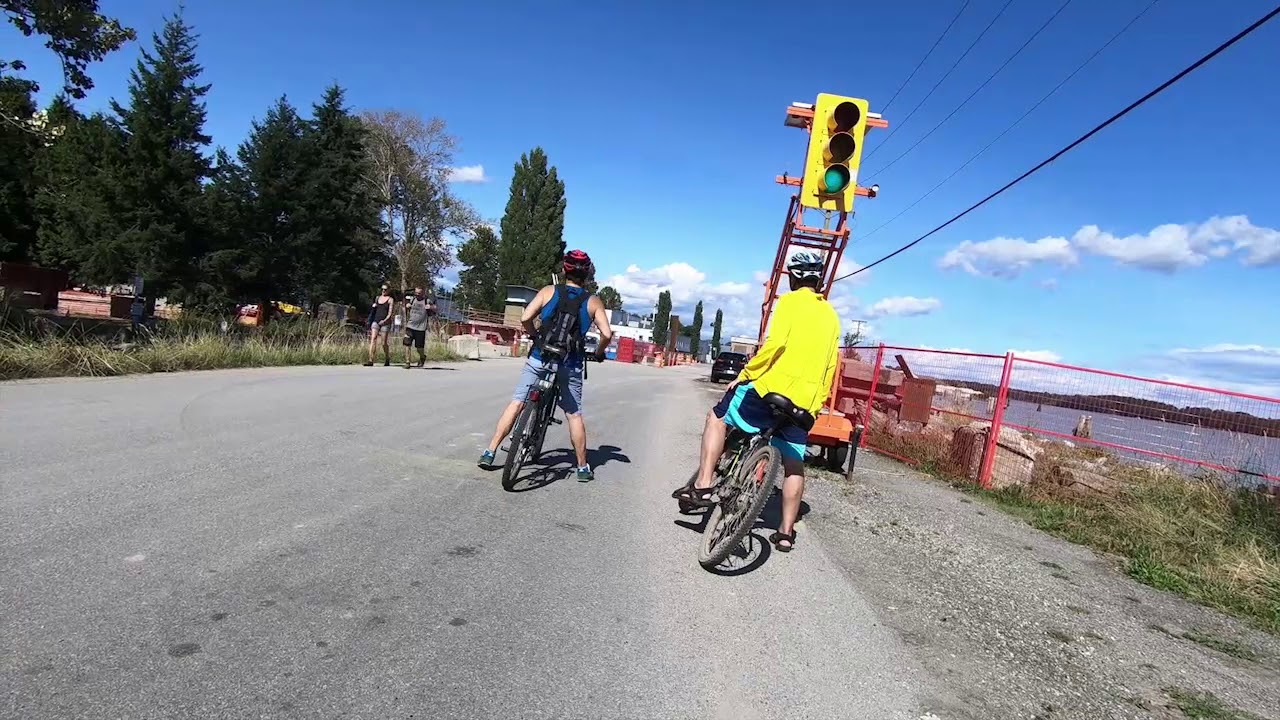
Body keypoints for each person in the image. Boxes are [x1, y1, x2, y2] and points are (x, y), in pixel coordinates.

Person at [676, 251, 840, 552]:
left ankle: (704, 483)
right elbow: (831, 366)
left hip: (771, 391)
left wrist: (746, 373)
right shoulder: (831, 315)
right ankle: (786, 533)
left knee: (717, 417)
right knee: (793, 464)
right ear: (817, 281)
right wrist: (814, 406)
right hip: (805, 405)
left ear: (793, 277)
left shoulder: (789, 303)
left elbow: (775, 345)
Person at [478, 249, 613, 481]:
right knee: (574, 414)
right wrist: (599, 353)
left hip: (540, 356)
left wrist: (534, 336)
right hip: (569, 363)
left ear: (564, 270)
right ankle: (582, 467)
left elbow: (525, 318)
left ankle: (490, 452)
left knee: (518, 402)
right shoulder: (593, 302)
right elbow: (607, 334)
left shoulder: (549, 291)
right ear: (588, 274)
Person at [402, 287, 435, 368]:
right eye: (416, 293)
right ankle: (407, 362)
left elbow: (436, 308)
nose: (417, 295)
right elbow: (405, 304)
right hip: (410, 325)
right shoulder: (412, 299)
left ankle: (422, 357)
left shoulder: (426, 300)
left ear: (423, 293)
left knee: (419, 348)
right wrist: (407, 305)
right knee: (407, 343)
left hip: (421, 328)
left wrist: (430, 307)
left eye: (419, 293)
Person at [364, 285, 395, 367]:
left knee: (383, 342)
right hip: (376, 320)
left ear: (388, 290)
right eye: (382, 289)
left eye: (385, 289)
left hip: (385, 322)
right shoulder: (378, 298)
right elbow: (374, 309)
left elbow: (390, 313)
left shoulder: (390, 300)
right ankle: (370, 360)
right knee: (373, 339)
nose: (383, 291)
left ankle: (387, 358)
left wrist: (385, 320)